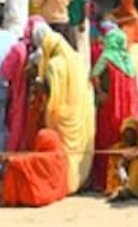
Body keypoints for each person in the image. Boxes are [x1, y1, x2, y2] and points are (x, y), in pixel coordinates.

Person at [39, 28, 96, 196]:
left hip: (61, 114)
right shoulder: (77, 58)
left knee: (64, 150)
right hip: (79, 111)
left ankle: (66, 183)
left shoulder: (53, 65)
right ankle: (80, 180)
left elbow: (52, 92)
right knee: (78, 150)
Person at [90, 27, 138, 194]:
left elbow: (93, 74)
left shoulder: (106, 57)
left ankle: (104, 179)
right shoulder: (128, 61)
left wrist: (99, 92)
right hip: (127, 109)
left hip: (109, 107)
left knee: (106, 139)